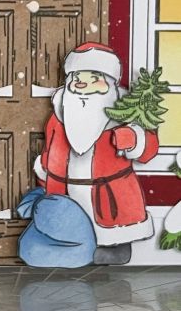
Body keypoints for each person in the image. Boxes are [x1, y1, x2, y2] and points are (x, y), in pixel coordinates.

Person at [34, 42, 157, 265]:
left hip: (109, 193)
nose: (84, 84)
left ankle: (112, 252)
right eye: (78, 78)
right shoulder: (60, 116)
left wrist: (133, 138)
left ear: (108, 82)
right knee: (68, 229)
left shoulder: (124, 115)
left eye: (94, 79)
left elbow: (148, 149)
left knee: (111, 239)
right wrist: (46, 173)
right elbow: (50, 149)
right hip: (65, 190)